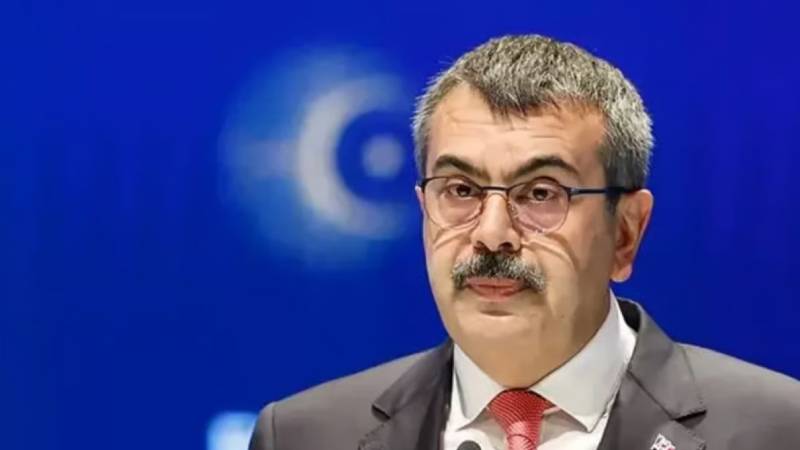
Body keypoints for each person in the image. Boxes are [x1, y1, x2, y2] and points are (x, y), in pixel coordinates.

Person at [248, 34, 800, 450]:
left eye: (540, 194)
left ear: (625, 233)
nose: (492, 234)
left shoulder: (778, 430)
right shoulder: (303, 435)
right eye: (460, 190)